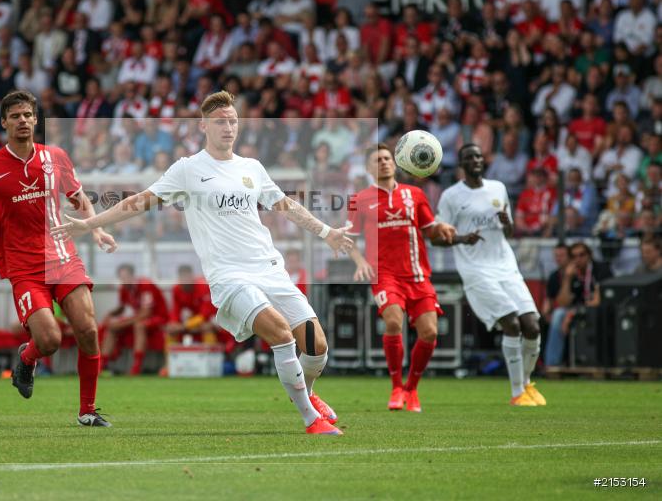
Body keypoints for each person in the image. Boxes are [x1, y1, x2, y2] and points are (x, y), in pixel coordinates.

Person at [58, 91, 353, 435]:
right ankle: (310, 419)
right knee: (280, 334)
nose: (228, 127)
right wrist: (90, 224)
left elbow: (286, 205)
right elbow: (139, 201)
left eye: (233, 121)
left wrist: (326, 232)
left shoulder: (252, 168)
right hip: (229, 275)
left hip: (269, 268)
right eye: (220, 122)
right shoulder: (187, 169)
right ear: (203, 126)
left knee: (317, 347)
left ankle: (307, 392)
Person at [0, 90, 117, 427]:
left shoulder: (55, 157)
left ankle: (87, 411)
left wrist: (96, 230)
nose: (22, 121)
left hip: (62, 256)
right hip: (23, 267)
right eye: (15, 116)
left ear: (35, 120)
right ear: (4, 122)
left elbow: (79, 198)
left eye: (27, 115)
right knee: (49, 340)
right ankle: (27, 358)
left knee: (88, 329)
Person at [346, 144, 456, 413]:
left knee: (430, 332)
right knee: (394, 321)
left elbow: (430, 230)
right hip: (384, 274)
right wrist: (360, 262)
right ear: (369, 168)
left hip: (417, 274)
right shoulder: (358, 199)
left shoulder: (415, 194)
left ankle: (411, 389)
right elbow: (348, 240)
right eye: (377, 160)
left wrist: (441, 227)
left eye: (387, 158)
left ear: (395, 163)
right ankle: (396, 387)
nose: (384, 162)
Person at [436, 144, 546, 406]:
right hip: (476, 269)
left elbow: (508, 232)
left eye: (478, 156)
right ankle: (517, 393)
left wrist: (508, 224)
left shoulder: (498, 188)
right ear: (461, 165)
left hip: (506, 266)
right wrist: (462, 238)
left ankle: (527, 384)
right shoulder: (451, 196)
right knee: (512, 324)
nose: (475, 160)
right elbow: (437, 238)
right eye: (469, 157)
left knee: (532, 325)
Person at [544, 242, 612, 367]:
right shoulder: (571, 273)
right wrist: (567, 279)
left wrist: (572, 313)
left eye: (582, 255)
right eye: (574, 256)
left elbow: (598, 301)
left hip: (599, 310)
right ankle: (552, 365)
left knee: (568, 315)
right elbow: (562, 302)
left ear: (589, 255)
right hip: (576, 310)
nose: (578, 259)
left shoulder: (600, 269)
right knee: (558, 314)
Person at [100, 264, 169, 375]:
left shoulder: (145, 285)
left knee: (139, 325)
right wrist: (110, 315)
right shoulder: (124, 289)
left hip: (159, 318)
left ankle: (136, 366)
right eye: (122, 278)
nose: (124, 280)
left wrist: (122, 324)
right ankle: (102, 364)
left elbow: (146, 313)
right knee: (112, 327)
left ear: (133, 276)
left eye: (126, 277)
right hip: (140, 317)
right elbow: (121, 307)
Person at [167, 264, 218, 343]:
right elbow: (175, 311)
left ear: (192, 277)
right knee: (171, 329)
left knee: (206, 327)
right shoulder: (176, 289)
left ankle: (210, 349)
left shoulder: (203, 287)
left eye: (187, 277)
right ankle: (172, 351)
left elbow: (205, 314)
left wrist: (185, 326)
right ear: (179, 278)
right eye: (183, 278)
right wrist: (174, 323)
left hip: (212, 318)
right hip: (192, 319)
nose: (185, 281)